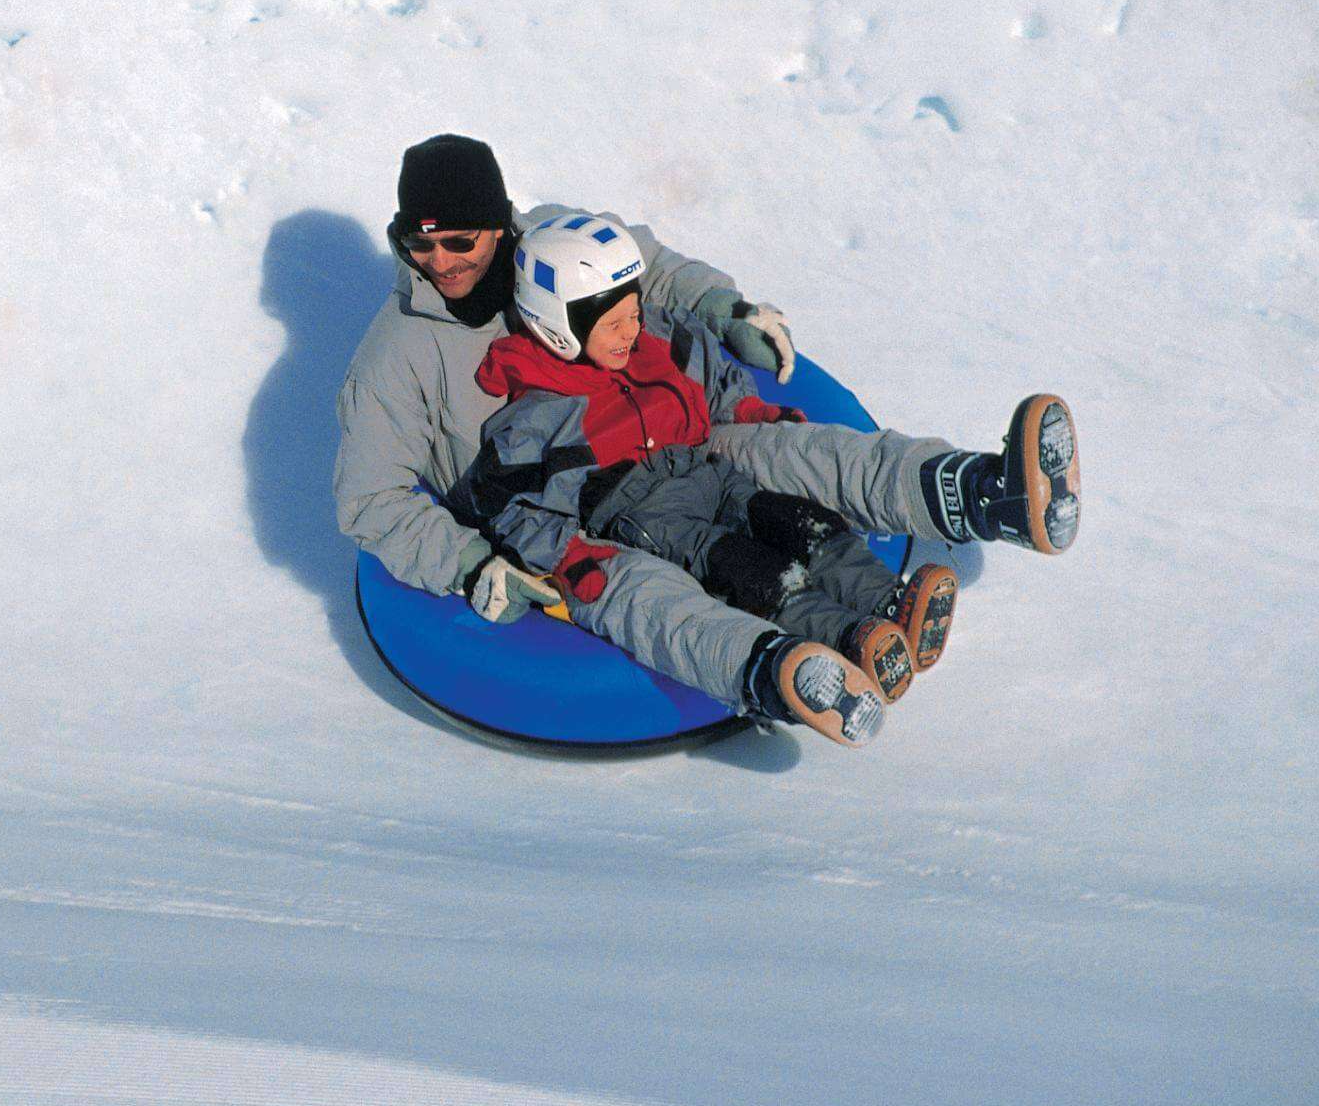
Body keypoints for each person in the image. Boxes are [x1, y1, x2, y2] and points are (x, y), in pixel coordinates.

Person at [333, 134, 1081, 744]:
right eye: (416, 244)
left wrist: (725, 311)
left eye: (457, 239)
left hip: (667, 435)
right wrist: (469, 564)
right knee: (667, 583)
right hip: (570, 504)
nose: (439, 263)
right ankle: (792, 666)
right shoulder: (395, 359)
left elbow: (650, 270)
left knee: (795, 456)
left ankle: (987, 493)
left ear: (499, 222)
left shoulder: (553, 239)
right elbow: (370, 500)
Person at [448, 213, 965, 744]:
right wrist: (567, 556)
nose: (632, 331)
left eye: (634, 313)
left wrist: (749, 412)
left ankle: (886, 606)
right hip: (646, 513)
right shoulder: (537, 414)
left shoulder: (660, 341)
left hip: (707, 470)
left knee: (802, 523)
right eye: (615, 324)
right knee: (750, 568)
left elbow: (715, 381)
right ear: (557, 327)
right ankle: (846, 640)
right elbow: (505, 507)